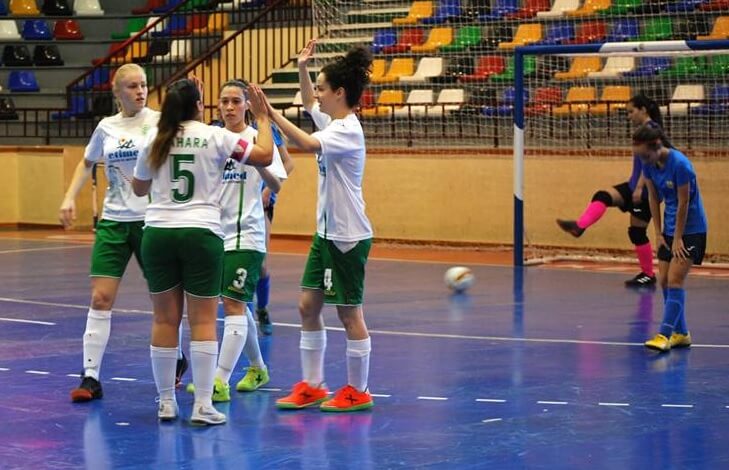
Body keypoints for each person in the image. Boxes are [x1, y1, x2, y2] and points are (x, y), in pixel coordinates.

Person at [131, 78, 273, 424]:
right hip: (202, 233)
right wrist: (264, 118)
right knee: (204, 319)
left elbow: (138, 188)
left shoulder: (155, 138)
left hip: (159, 233)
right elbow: (264, 155)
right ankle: (203, 405)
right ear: (199, 106)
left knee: (165, 319)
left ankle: (166, 403)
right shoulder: (215, 136)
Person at [265, 40, 375, 412]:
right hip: (325, 234)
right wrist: (302, 67)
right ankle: (313, 385)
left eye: (325, 88)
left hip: (347, 236)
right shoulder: (335, 120)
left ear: (340, 93)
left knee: (348, 313)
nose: (318, 96)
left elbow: (309, 143)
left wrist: (271, 114)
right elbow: (311, 105)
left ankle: (358, 391)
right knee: (307, 305)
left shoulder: (346, 131)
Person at [59, 63, 179, 402]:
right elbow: (87, 163)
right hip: (113, 221)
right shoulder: (106, 127)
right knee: (101, 297)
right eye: (132, 86)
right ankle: (90, 377)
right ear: (117, 92)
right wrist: (69, 198)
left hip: (152, 220)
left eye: (143, 85)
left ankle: (176, 357)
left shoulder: (159, 122)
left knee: (164, 301)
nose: (140, 91)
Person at [186, 79, 288, 401]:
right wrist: (194, 101)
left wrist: (260, 168)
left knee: (232, 304)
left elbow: (278, 183)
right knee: (236, 304)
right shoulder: (215, 138)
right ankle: (258, 367)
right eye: (224, 101)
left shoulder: (256, 139)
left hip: (248, 233)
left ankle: (218, 380)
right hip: (218, 233)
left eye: (235, 101)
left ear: (247, 105)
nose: (229, 107)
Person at [556, 94, 670, 288]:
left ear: (643, 110)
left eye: (631, 111)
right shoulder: (643, 130)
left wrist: (640, 187)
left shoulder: (653, 131)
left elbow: (651, 163)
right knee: (602, 196)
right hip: (633, 185)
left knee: (637, 232)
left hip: (645, 192)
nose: (629, 116)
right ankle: (580, 226)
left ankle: (648, 274)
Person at [634, 124, 707, 352]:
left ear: (657, 146)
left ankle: (664, 335)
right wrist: (657, 233)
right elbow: (653, 199)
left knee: (675, 280)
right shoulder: (648, 165)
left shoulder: (681, 165)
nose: (643, 161)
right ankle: (681, 333)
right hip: (668, 229)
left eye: (645, 155)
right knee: (664, 281)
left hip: (691, 229)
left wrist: (677, 238)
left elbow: (684, 202)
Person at [254, 122, 295, 335]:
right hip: (231, 204)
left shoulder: (266, 129)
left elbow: (288, 163)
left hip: (261, 203)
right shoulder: (220, 130)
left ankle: (261, 308)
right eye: (225, 102)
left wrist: (269, 189)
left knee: (260, 262)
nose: (230, 107)